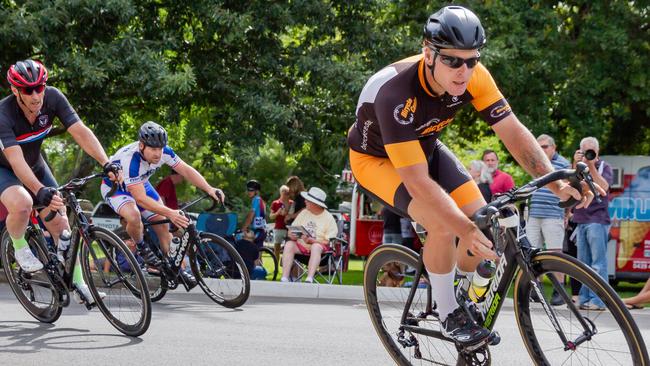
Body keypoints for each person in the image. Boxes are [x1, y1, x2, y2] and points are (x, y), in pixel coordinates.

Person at [346, 6, 598, 346]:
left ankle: (461, 291)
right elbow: (418, 183)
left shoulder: (475, 76)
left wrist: (558, 184)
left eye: (472, 60)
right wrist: (461, 227)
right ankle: (448, 311)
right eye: (452, 60)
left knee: (483, 221)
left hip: (425, 146)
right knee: (442, 223)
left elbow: (513, 133)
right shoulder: (394, 93)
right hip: (376, 161)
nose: (463, 71)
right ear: (428, 53)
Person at [0, 59, 122, 304]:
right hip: (6, 168)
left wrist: (106, 162)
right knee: (23, 203)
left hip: (35, 164)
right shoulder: (3, 114)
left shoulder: (53, 98)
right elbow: (16, 162)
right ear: (15, 91)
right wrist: (38, 190)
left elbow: (81, 132)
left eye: (40, 87)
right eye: (28, 90)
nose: (36, 95)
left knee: (62, 225)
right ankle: (20, 246)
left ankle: (78, 281)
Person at [101, 121, 225, 288]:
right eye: (153, 149)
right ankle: (142, 247)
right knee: (134, 216)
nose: (158, 154)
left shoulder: (165, 151)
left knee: (163, 227)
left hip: (140, 183)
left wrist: (209, 188)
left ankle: (172, 268)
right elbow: (141, 199)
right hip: (116, 188)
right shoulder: (131, 160)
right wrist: (171, 212)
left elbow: (186, 170)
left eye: (160, 149)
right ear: (142, 145)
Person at [526, 134, 570, 305]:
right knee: (531, 253)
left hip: (553, 213)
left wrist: (566, 214)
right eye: (539, 146)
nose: (541, 149)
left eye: (545, 146)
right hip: (535, 213)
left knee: (555, 254)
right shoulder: (535, 162)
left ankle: (559, 292)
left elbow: (570, 190)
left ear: (554, 147)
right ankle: (536, 290)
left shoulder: (564, 164)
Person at [571, 136, 613, 311]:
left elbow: (604, 187)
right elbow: (571, 186)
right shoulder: (578, 166)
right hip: (581, 218)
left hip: (597, 219)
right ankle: (584, 298)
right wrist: (576, 164)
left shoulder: (604, 167)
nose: (588, 154)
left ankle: (599, 300)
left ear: (597, 152)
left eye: (591, 151)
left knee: (598, 263)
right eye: (585, 150)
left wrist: (591, 166)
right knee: (583, 263)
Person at [280, 187, 338, 283]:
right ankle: (285, 278)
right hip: (302, 250)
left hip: (321, 253)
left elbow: (328, 241)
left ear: (315, 203)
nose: (305, 201)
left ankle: (309, 278)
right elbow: (292, 230)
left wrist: (313, 241)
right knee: (289, 244)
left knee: (316, 246)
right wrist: (292, 235)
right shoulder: (304, 213)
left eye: (308, 200)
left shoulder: (328, 218)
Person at [241, 179, 267, 248]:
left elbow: (250, 216)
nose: (249, 192)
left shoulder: (256, 199)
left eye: (252, 190)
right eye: (248, 190)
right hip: (262, 230)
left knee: (243, 243)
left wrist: (244, 228)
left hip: (258, 231)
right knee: (257, 257)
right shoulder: (260, 200)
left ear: (256, 191)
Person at [269, 184, 292, 258]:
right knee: (277, 248)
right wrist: (277, 213)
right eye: (284, 191)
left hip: (289, 229)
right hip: (278, 228)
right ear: (280, 192)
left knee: (288, 248)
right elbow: (271, 216)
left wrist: (286, 213)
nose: (285, 193)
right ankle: (276, 265)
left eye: (287, 192)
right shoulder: (275, 203)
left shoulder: (292, 203)